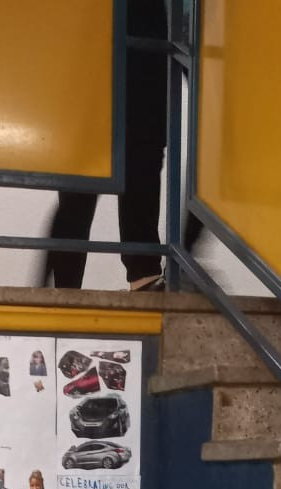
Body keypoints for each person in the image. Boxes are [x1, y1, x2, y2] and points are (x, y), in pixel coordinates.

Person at [46, 0, 167, 290]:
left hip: (128, 63)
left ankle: (68, 286)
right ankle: (138, 276)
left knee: (134, 165)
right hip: (113, 62)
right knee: (99, 172)